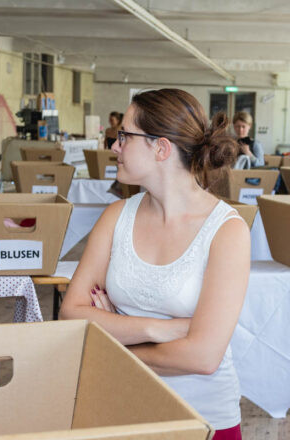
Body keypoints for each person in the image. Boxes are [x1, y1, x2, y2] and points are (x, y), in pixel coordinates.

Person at [60, 89, 250, 439]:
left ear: (160, 148)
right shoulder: (115, 216)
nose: (114, 147)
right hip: (120, 405)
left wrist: (115, 333)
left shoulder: (227, 232)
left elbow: (203, 357)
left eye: (124, 137)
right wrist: (158, 328)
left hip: (202, 418)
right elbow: (71, 313)